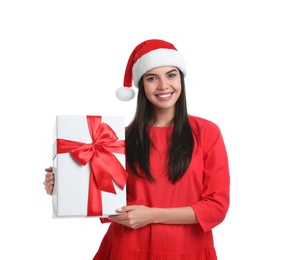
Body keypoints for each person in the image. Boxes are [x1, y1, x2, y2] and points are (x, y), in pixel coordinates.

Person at [44, 39, 230, 260]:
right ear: (142, 85)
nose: (163, 86)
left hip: (187, 251)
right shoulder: (118, 138)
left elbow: (216, 207)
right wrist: (63, 185)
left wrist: (150, 215)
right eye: (152, 78)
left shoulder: (207, 132)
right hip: (127, 250)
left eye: (171, 75)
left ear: (181, 78)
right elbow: (105, 202)